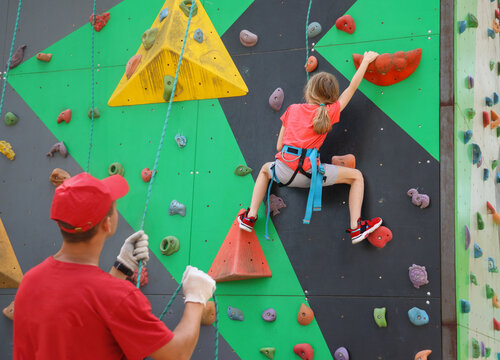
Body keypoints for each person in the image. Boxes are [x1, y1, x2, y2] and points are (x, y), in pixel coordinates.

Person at [13, 172, 216, 360]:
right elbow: (177, 353)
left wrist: (122, 267)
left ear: (61, 223)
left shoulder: (30, 282)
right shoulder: (117, 297)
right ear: (107, 224)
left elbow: (89, 317)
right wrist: (196, 298)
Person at [237, 51, 383, 244]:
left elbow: (279, 145)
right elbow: (351, 88)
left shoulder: (292, 109)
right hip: (310, 177)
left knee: (265, 169)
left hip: (283, 172)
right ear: (331, 97)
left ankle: (250, 216)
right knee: (356, 176)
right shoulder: (329, 112)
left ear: (308, 91)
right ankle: (356, 228)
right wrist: (365, 61)